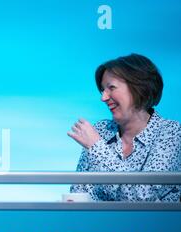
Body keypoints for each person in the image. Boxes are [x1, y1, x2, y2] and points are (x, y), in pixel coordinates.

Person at [68, 53, 181, 201]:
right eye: (103, 90)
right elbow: (78, 194)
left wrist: (97, 147)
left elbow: (142, 198)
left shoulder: (172, 133)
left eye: (111, 88)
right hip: (95, 224)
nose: (103, 98)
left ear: (139, 88)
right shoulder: (101, 130)